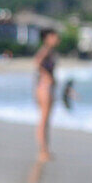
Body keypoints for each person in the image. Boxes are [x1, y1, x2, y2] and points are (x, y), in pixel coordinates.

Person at [32, 29, 60, 162]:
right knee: (43, 119)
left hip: (46, 86)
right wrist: (47, 76)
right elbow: (37, 63)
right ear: (47, 38)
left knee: (46, 119)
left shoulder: (51, 51)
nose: (56, 39)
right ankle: (42, 151)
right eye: (54, 37)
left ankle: (45, 149)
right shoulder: (46, 50)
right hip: (44, 87)